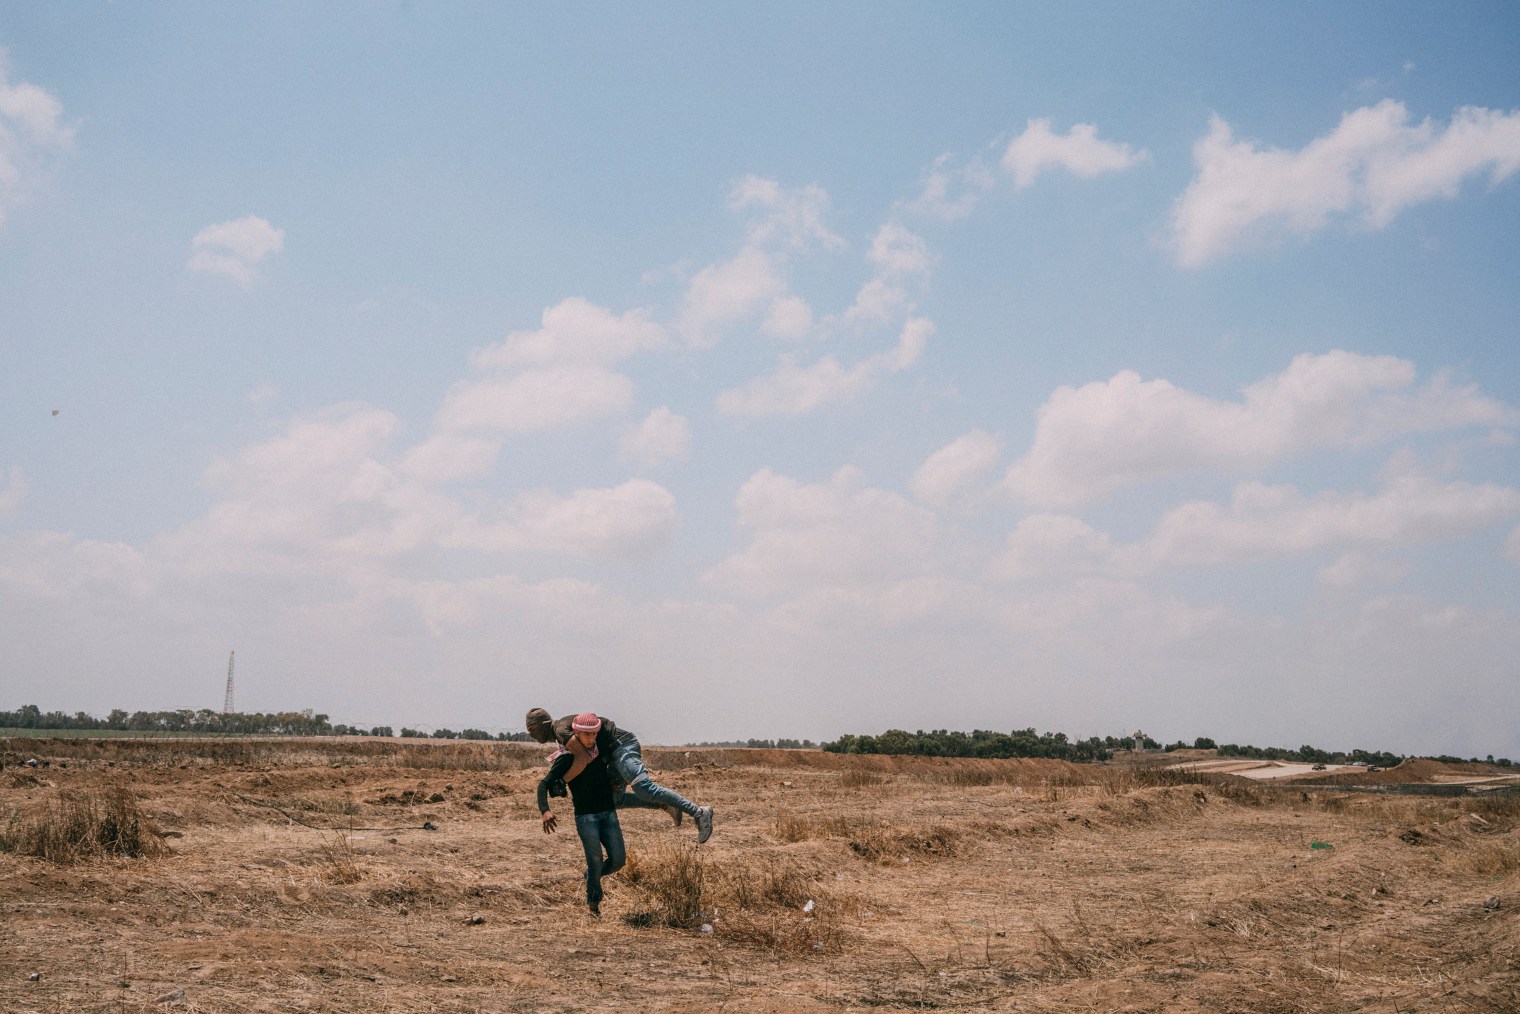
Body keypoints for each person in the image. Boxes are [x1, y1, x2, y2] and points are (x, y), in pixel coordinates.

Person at [526, 707, 714, 844]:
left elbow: (582, 757)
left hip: (622, 746)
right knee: (613, 800)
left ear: (544, 724)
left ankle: (699, 812)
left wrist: (561, 781)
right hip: (612, 755)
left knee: (643, 787)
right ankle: (665, 804)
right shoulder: (561, 732)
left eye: (532, 729)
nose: (530, 734)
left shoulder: (560, 730)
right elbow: (592, 755)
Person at [537, 713, 625, 917]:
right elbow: (543, 785)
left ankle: (590, 877)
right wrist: (545, 810)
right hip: (586, 818)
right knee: (595, 860)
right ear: (575, 733)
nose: (591, 739)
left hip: (608, 813)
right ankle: (594, 905)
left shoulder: (598, 751)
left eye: (594, 734)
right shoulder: (567, 757)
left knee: (618, 860)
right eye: (585, 734)